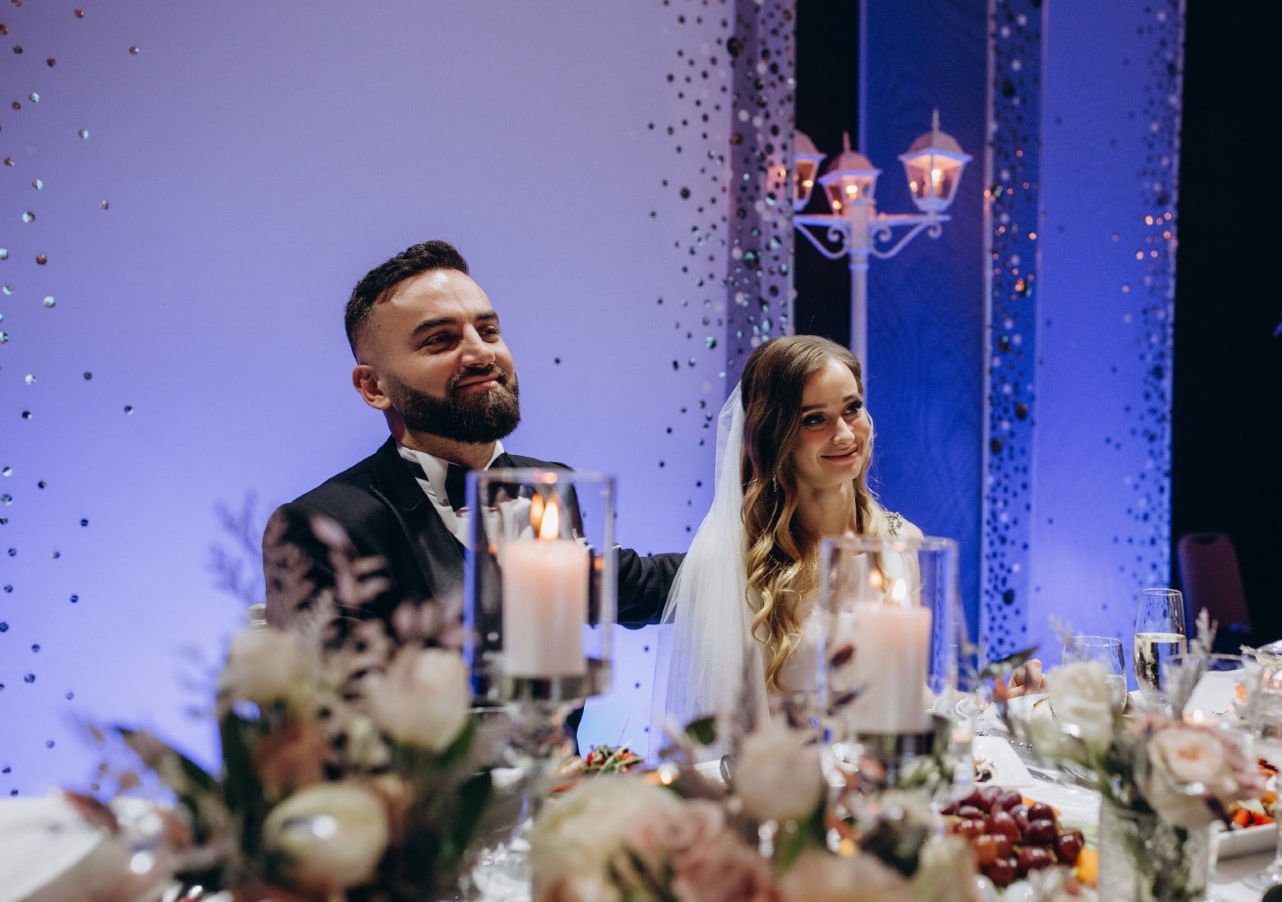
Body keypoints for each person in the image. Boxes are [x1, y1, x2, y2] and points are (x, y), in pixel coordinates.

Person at [264, 240, 682, 630]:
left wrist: (748, 546)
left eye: (488, 331)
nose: (483, 354)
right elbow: (331, 701)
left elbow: (639, 588)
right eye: (439, 340)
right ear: (374, 387)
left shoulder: (546, 487)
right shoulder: (321, 526)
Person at [656, 334, 917, 725]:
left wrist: (992, 702)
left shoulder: (905, 542)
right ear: (776, 437)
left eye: (852, 409)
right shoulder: (737, 565)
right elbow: (728, 728)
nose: (845, 434)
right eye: (815, 419)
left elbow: (912, 694)